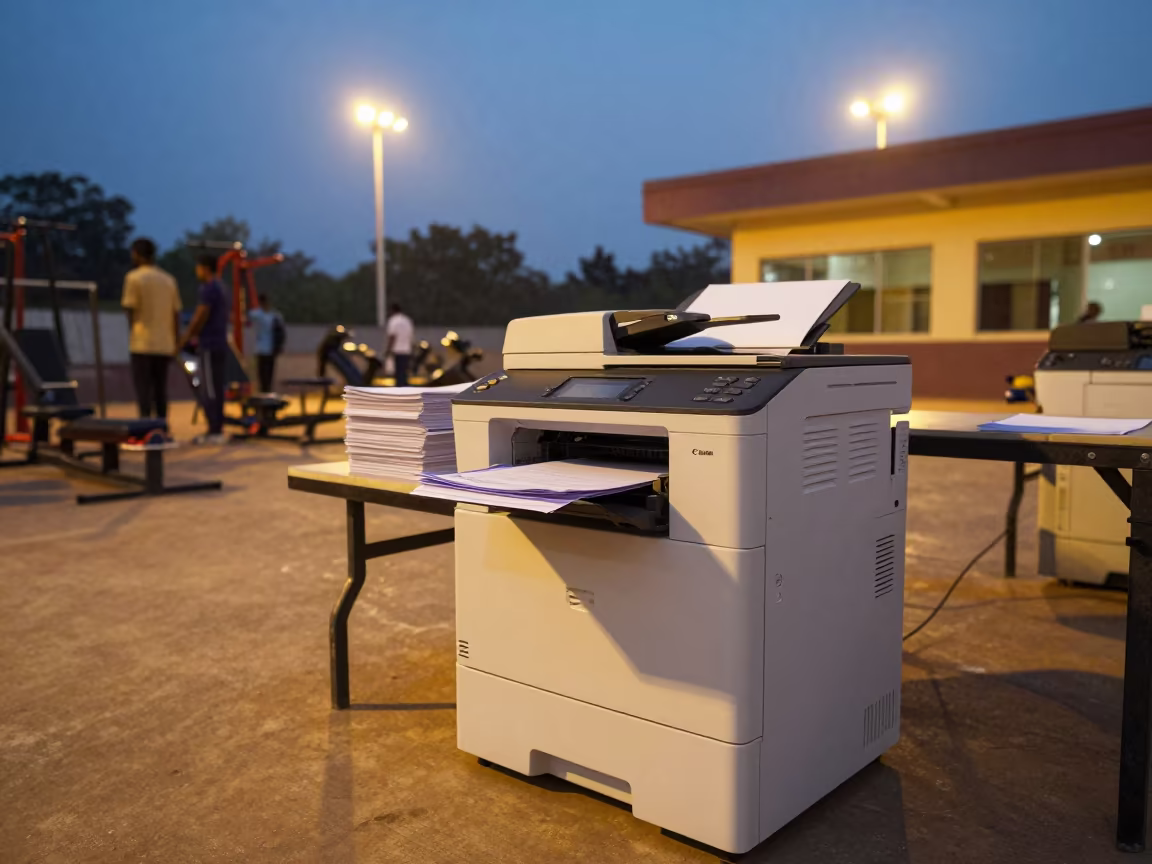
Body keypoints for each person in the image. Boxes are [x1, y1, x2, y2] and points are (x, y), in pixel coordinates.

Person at [121, 237, 181, 420]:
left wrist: (133, 329)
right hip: (164, 344)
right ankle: (162, 426)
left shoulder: (134, 278)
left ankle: (144, 426)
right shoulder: (169, 280)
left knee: (144, 390)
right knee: (160, 390)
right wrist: (175, 340)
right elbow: (176, 313)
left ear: (136, 254)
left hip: (142, 343)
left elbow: (130, 308)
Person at [179, 255, 230, 444]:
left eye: (198, 268)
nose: (196, 272)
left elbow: (200, 316)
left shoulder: (208, 289)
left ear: (205, 268)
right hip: (220, 343)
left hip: (209, 344)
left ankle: (214, 430)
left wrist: (184, 338)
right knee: (217, 386)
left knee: (209, 387)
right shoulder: (222, 288)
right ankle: (217, 427)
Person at [248, 293, 285, 393]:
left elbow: (245, 317)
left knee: (262, 375)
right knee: (268, 375)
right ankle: (267, 392)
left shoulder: (257, 315)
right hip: (269, 349)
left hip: (262, 349)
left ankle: (264, 393)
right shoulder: (275, 316)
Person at [385, 302, 414, 387]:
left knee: (398, 374)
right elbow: (410, 336)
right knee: (404, 373)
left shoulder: (393, 320)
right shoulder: (407, 320)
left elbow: (392, 336)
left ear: (392, 310)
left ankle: (400, 391)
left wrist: (388, 349)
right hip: (406, 350)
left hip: (397, 350)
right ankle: (405, 389)